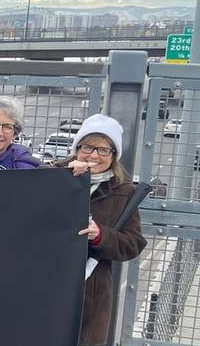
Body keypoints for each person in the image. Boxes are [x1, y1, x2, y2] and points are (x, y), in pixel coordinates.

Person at [57, 114, 147, 346]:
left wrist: (100, 235)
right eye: (88, 147)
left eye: (104, 150)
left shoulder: (124, 191)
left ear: (114, 155)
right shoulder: (53, 175)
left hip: (91, 294)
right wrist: (66, 179)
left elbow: (133, 244)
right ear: (77, 149)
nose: (94, 155)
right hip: (48, 281)